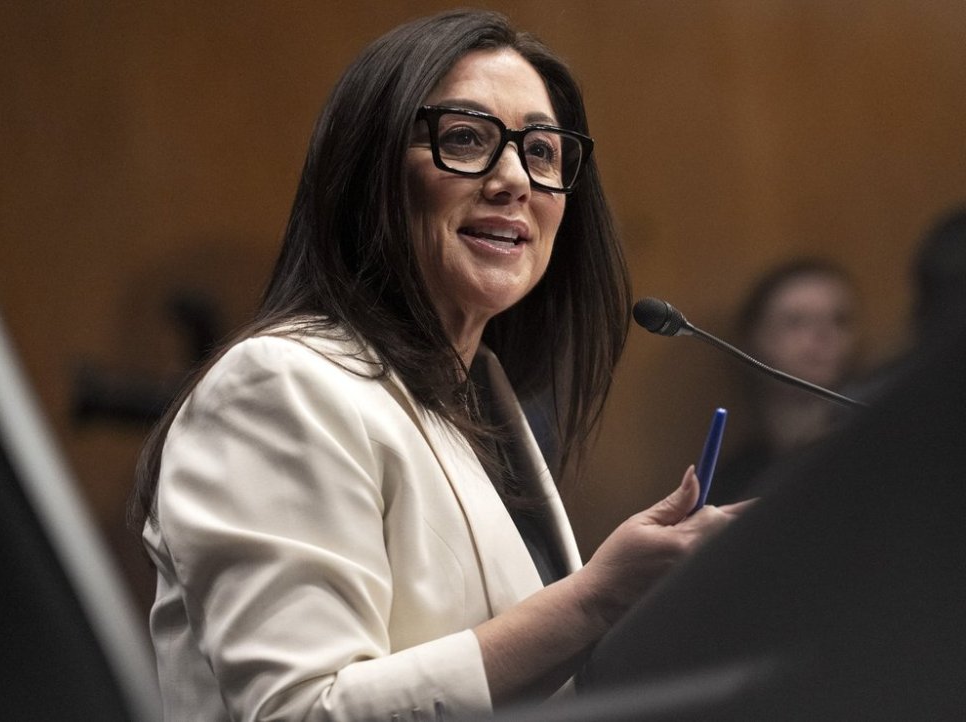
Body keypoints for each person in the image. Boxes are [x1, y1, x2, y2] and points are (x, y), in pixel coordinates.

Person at [130, 10, 744, 721]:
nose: (515, 178)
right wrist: (597, 597)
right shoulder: (278, 387)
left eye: (542, 152)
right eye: (465, 139)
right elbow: (299, 713)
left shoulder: (479, 399)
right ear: (369, 175)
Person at [708, 259, 860, 505]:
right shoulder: (734, 483)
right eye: (796, 322)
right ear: (754, 338)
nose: (823, 334)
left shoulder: (877, 454)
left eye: (839, 320)